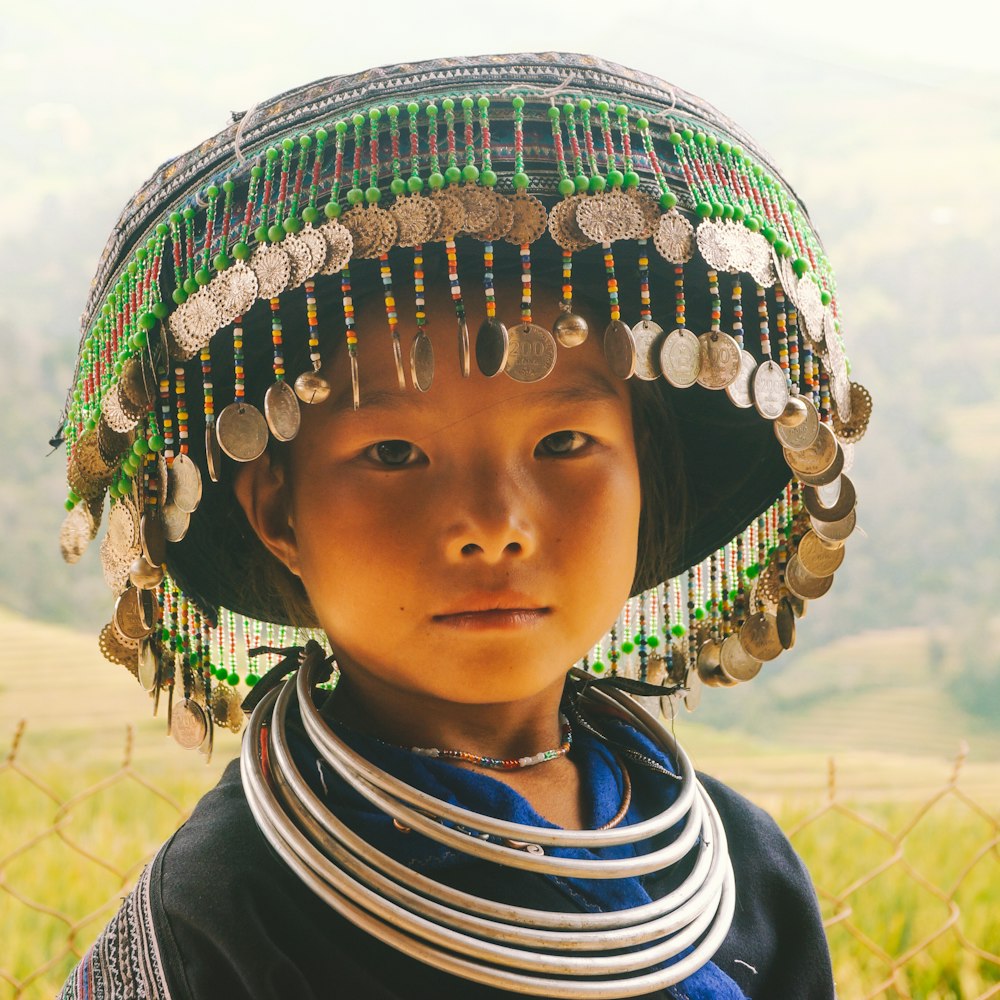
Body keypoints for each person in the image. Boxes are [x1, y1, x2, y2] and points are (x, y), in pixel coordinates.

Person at [56, 53, 867, 998]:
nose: (494, 526)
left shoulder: (741, 876)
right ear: (278, 509)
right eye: (395, 455)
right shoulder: (225, 913)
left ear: (645, 474)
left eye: (564, 441)